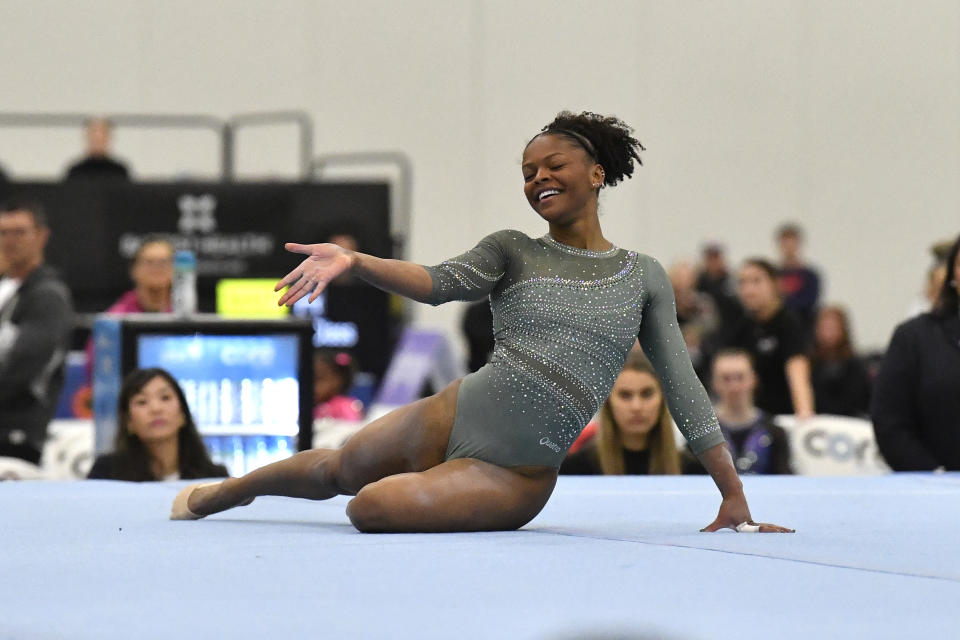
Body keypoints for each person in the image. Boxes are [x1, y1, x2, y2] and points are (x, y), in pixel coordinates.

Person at [170, 111, 792, 534]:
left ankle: (435, 486)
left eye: (553, 166)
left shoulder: (642, 276)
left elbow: (681, 384)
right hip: (458, 409)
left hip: (516, 471)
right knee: (340, 469)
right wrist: (357, 261)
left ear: (597, 174)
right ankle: (230, 492)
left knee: (371, 508)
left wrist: (731, 493)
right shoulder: (512, 249)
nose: (538, 178)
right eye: (528, 172)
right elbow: (436, 283)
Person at [871, 233, 960, 471]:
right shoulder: (913, 337)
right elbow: (889, 420)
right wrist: (932, 475)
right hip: (933, 488)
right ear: (953, 275)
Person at [0, 199, 74, 465]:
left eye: (19, 232)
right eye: (3, 232)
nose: (10, 240)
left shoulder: (48, 296)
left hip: (17, 439)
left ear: (41, 236)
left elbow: (22, 369)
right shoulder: (8, 290)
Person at [88, 368, 228, 481]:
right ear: (129, 422)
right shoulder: (106, 473)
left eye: (165, 398)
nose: (156, 409)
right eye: (142, 402)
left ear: (183, 414)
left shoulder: (214, 477)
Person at [560, 348, 680, 475]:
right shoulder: (575, 470)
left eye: (647, 394)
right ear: (608, 402)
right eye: (625, 395)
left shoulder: (693, 469)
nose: (636, 407)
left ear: (663, 399)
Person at [727, 258, 815, 419]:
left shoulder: (788, 323)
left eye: (756, 281)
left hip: (785, 416)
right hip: (754, 417)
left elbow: (797, 371)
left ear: (775, 285)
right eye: (742, 283)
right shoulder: (741, 328)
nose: (748, 290)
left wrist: (804, 414)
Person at [684, 349, 791, 475]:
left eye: (740, 377)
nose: (734, 387)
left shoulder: (774, 431)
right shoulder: (700, 434)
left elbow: (784, 479)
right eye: (726, 379)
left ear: (753, 379)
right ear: (714, 383)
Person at [84, 236, 174, 379]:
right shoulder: (113, 321)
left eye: (163, 263)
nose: (157, 269)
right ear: (134, 270)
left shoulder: (185, 318)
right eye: (149, 262)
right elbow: (98, 372)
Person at [809, 305, 871, 417]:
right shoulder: (809, 365)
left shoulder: (854, 366)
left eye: (832, 328)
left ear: (842, 329)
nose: (827, 334)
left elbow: (857, 401)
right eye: (824, 328)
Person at [669, 259, 720, 383]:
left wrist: (696, 331)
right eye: (679, 277)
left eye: (687, 277)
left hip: (701, 360)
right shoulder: (664, 304)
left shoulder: (702, 302)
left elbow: (712, 325)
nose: (683, 281)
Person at [775, 223, 821, 340]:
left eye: (792, 243)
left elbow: (809, 303)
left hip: (804, 331)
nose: (789, 248)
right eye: (785, 244)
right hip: (778, 331)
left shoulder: (810, 276)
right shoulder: (773, 276)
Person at [64, 117, 130, 181]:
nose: (98, 140)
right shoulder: (76, 171)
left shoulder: (119, 171)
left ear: (108, 138)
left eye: (102, 136)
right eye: (94, 136)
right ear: (87, 137)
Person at [313, 349, 364, 421]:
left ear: (337, 381)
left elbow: (352, 430)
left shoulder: (344, 407)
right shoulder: (312, 407)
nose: (312, 386)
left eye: (318, 379)